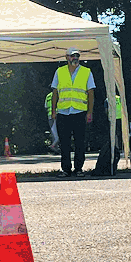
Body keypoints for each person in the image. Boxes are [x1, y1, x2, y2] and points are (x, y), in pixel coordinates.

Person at [50, 47, 95, 176]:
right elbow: (55, 92)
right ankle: (66, 169)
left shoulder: (86, 72)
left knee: (80, 142)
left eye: (77, 56)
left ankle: (79, 168)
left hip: (79, 112)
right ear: (66, 58)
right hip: (63, 112)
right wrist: (53, 110)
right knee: (64, 143)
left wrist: (89, 112)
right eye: (72, 56)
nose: (75, 58)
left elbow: (91, 93)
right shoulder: (59, 71)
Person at [44, 89, 60, 154]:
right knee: (60, 132)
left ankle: (55, 148)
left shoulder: (48, 96)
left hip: (49, 115)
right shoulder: (57, 94)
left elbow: (45, 106)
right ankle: (53, 146)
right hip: (56, 114)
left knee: (54, 133)